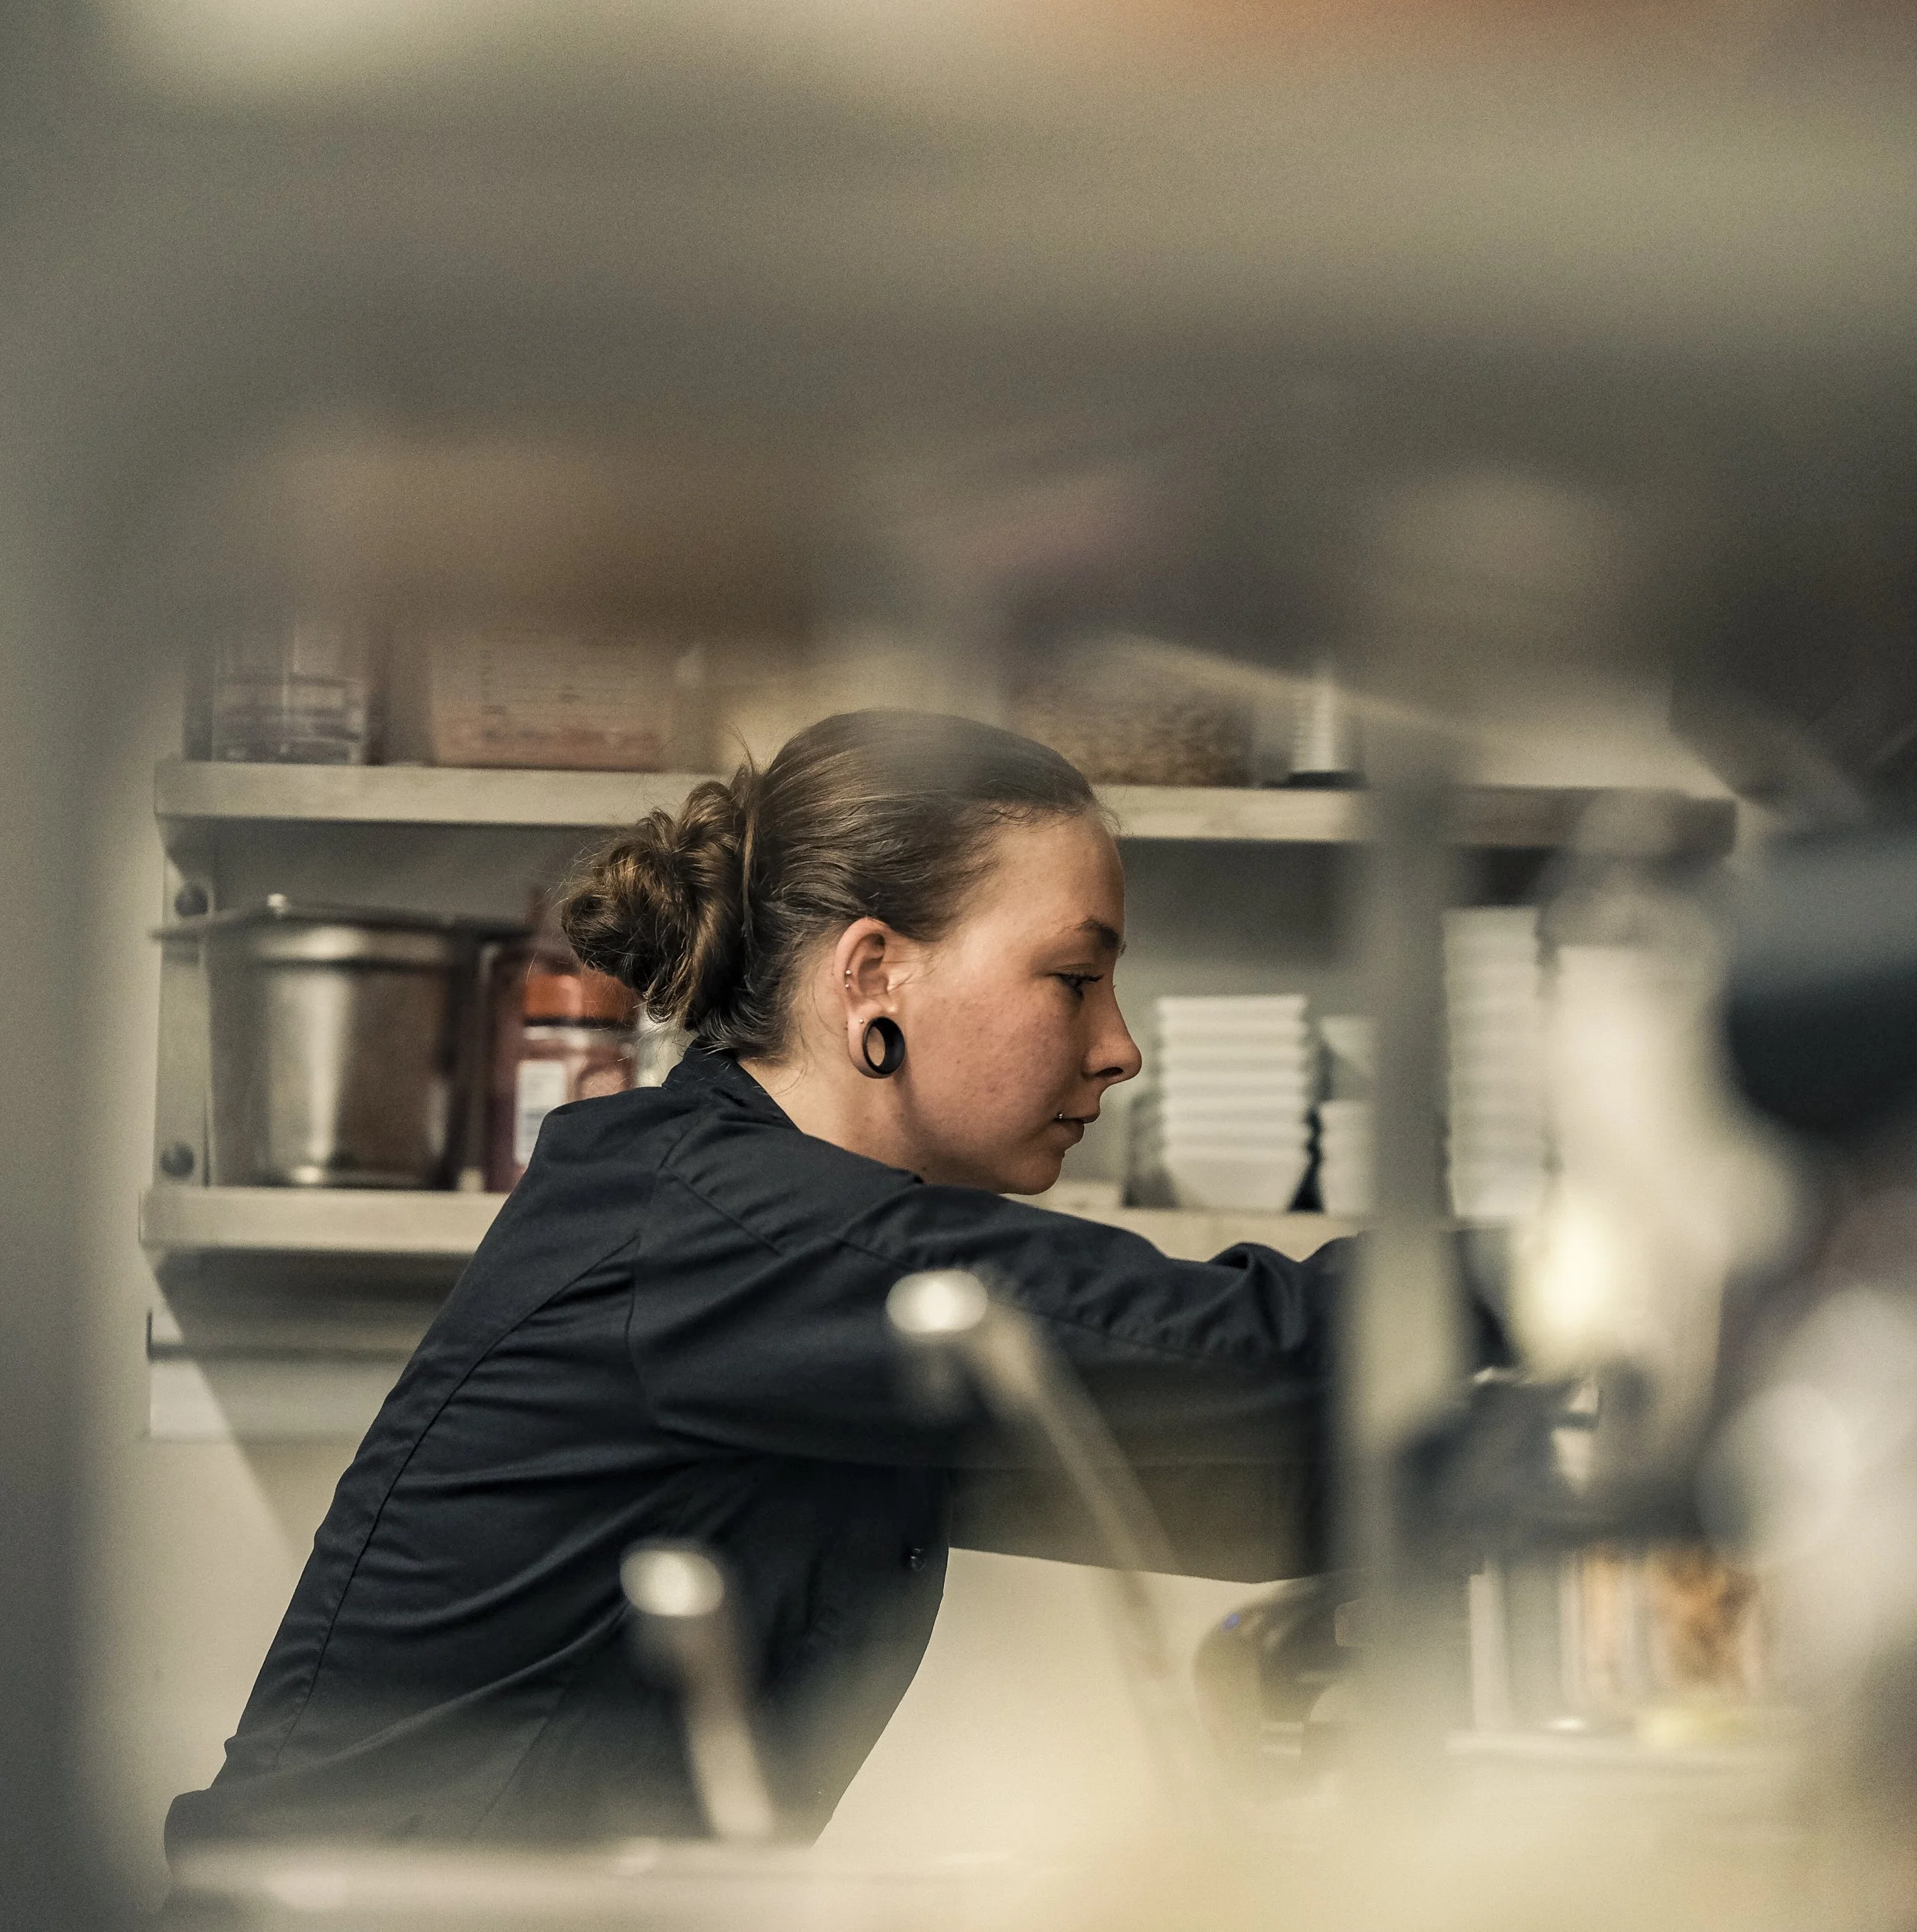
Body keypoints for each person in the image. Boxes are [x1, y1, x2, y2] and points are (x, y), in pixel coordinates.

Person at [166, 710, 1346, 1854]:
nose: (1118, 1046)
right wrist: (1518, 1283)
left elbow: (1212, 1474)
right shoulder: (723, 1230)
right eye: (1075, 977)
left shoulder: (794, 1283)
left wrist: (1458, 1462)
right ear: (873, 973)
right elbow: (1256, 1351)